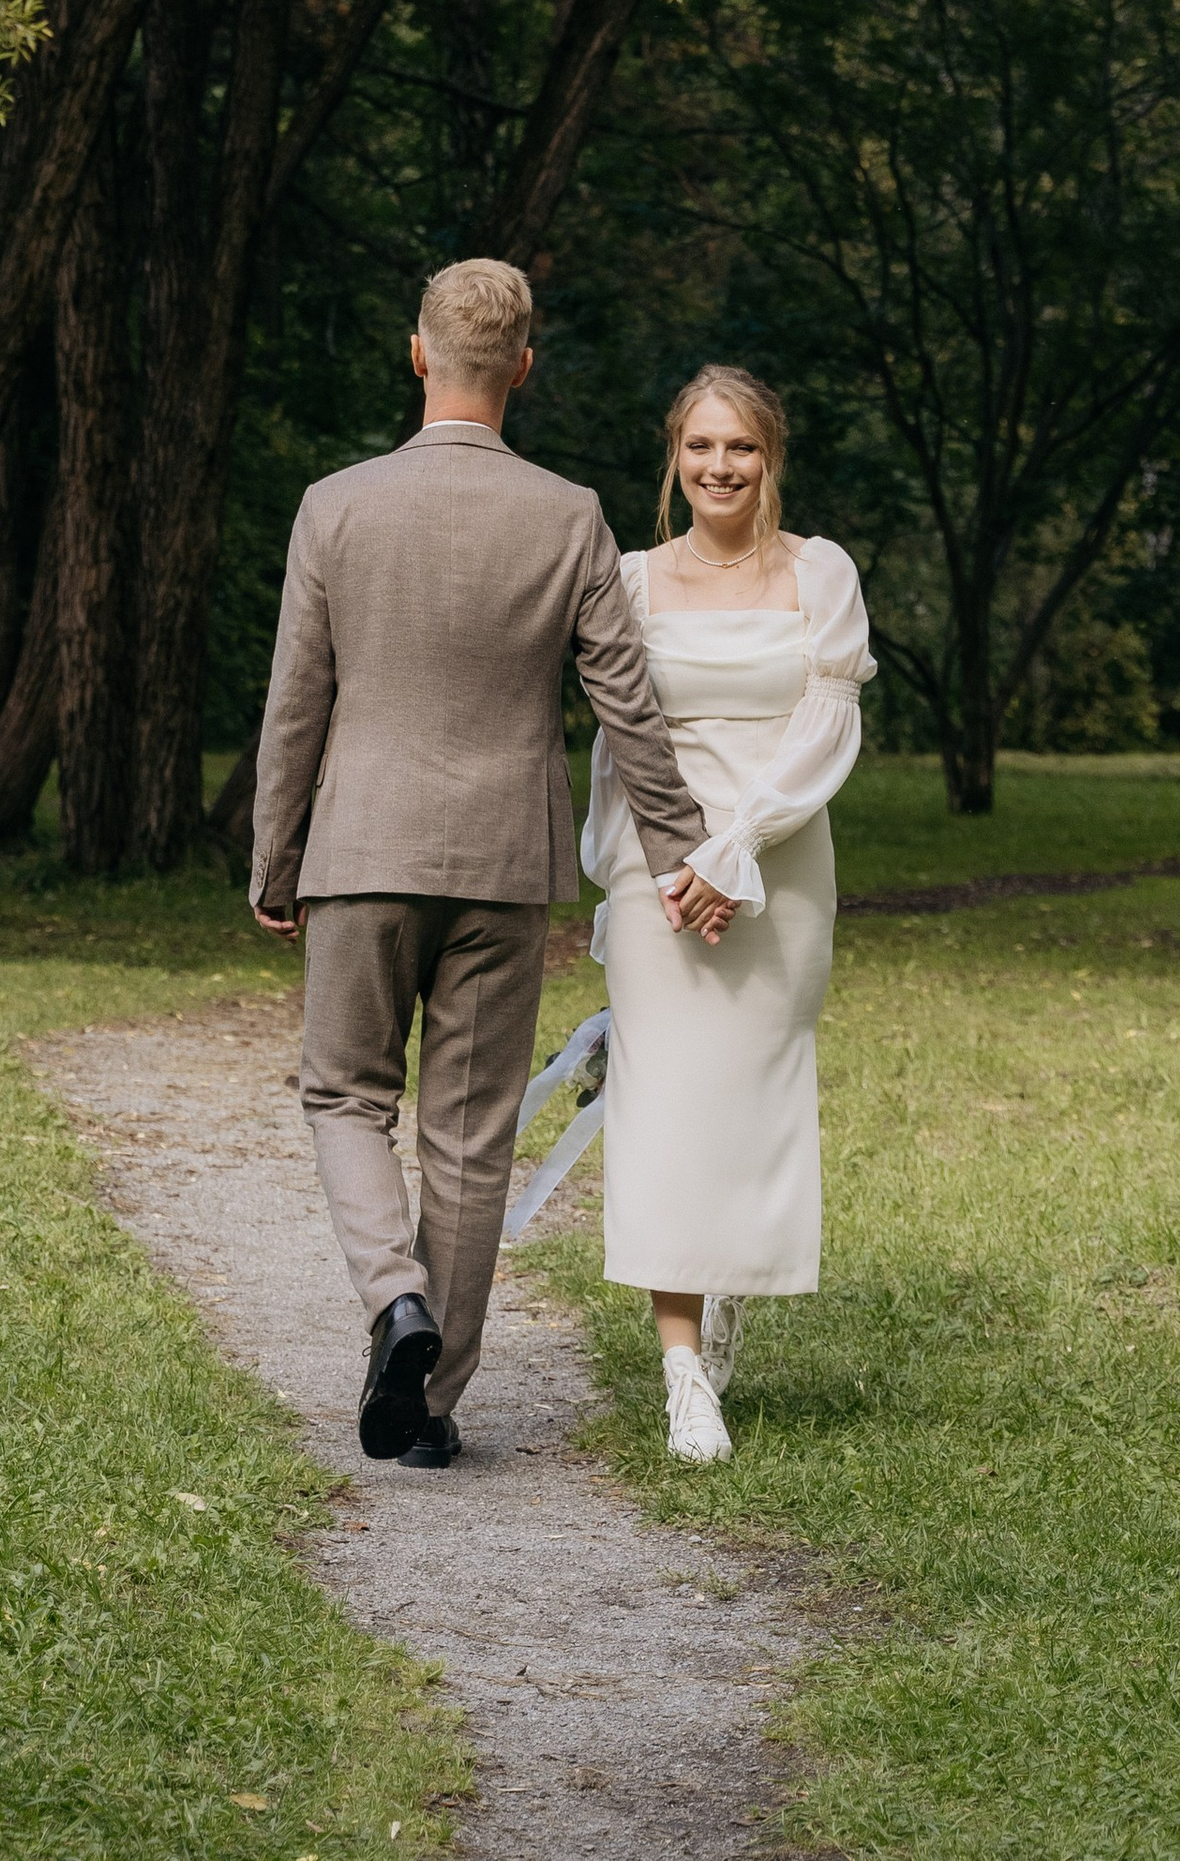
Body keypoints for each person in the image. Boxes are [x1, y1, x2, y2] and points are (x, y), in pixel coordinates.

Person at [249, 259, 721, 1468]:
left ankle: (391, 1299)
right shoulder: (568, 516)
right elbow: (629, 710)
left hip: (361, 849)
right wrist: (680, 854)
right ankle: (430, 1403)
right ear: (522, 366)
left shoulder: (335, 505)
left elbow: (297, 699)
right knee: (471, 1135)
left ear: (418, 356)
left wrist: (275, 853)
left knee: (345, 1096)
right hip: (506, 865)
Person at [581, 365, 874, 1467]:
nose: (719, 468)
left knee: (753, 1096)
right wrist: (665, 864)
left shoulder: (820, 574)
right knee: (661, 1108)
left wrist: (737, 847)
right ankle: (682, 1373)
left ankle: (734, 1284)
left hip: (778, 862)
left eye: (740, 449)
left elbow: (824, 727)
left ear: (770, 458)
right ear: (674, 456)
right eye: (701, 447)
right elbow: (619, 743)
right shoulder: (631, 579)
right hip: (657, 878)